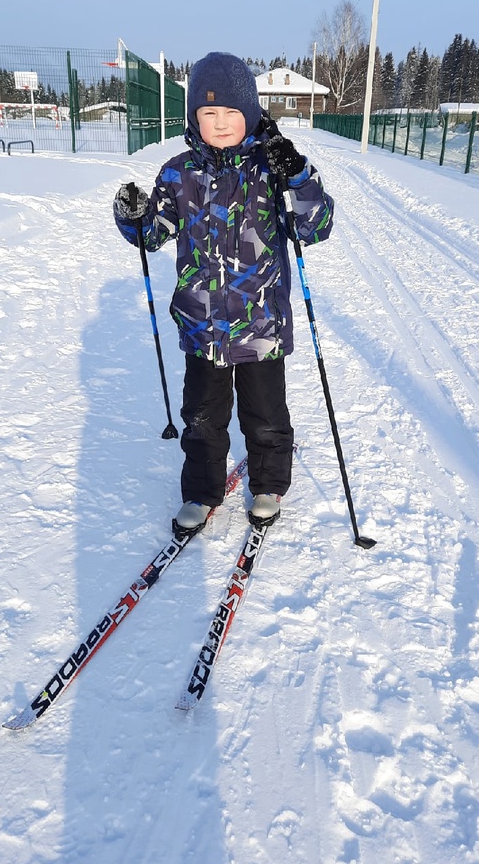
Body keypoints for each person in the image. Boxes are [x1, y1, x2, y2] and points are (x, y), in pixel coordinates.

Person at [113, 51, 334, 537]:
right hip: (201, 327)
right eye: (208, 113)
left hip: (261, 328)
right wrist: (132, 216)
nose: (219, 123)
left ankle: (269, 485)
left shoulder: (272, 168)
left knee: (266, 416)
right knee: (202, 419)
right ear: (194, 116)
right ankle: (201, 490)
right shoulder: (178, 173)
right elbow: (153, 234)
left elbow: (315, 225)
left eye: (231, 112)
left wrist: (296, 173)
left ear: (251, 114)